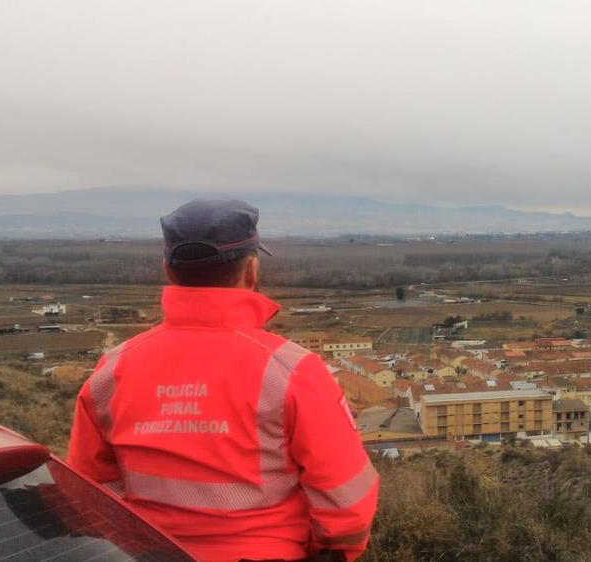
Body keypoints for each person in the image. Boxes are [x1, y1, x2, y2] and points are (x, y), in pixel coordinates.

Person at [69, 199, 378, 562]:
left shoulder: (112, 370)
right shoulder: (293, 371)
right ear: (251, 270)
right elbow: (348, 503)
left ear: (168, 269)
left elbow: (87, 493)